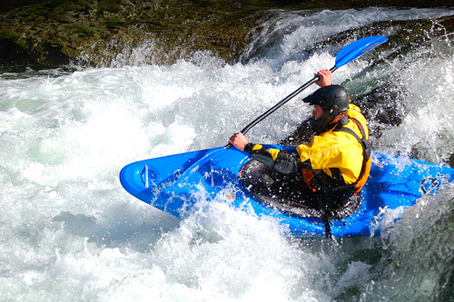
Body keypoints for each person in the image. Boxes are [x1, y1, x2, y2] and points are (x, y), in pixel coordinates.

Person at [229, 70, 371, 216]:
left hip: (329, 198)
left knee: (270, 178)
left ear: (330, 111)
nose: (313, 113)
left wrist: (247, 146)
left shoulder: (333, 144)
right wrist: (327, 88)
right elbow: (342, 102)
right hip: (340, 181)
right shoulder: (354, 116)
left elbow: (287, 163)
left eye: (316, 108)